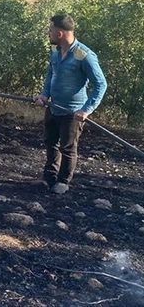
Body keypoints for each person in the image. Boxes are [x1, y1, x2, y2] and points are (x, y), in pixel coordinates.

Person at [33, 14, 107, 194]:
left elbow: (101, 84)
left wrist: (87, 110)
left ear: (59, 33)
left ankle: (63, 182)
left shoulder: (84, 55)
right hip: (53, 107)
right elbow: (51, 74)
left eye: (50, 30)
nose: (48, 33)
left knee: (68, 147)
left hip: (72, 112)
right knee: (51, 143)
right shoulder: (55, 52)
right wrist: (44, 96)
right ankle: (49, 178)